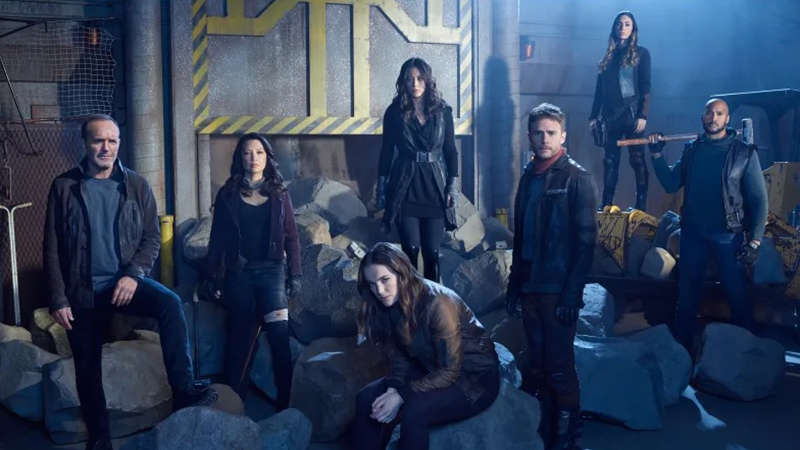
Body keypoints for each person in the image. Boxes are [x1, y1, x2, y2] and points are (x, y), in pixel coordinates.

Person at [44, 115, 217, 450]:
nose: (105, 148)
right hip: (82, 291)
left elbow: (151, 238)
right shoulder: (63, 186)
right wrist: (58, 298)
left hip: (122, 283)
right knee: (87, 363)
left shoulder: (136, 185)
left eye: (112, 141)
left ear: (119, 143)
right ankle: (99, 439)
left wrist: (133, 273)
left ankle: (183, 390)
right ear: (85, 143)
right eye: (98, 140)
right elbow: (51, 246)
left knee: (169, 303)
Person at [506, 103, 597, 450]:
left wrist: (572, 294)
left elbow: (586, 243)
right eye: (538, 133)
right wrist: (514, 286)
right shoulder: (529, 177)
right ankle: (543, 434)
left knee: (559, 367)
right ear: (529, 136)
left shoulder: (577, 179)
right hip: (530, 287)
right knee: (538, 367)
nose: (544, 139)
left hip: (557, 290)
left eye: (551, 133)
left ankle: (566, 440)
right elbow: (520, 238)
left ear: (563, 136)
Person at [647, 99, 768, 353]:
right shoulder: (692, 150)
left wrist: (755, 241)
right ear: (703, 116)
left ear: (727, 119)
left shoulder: (744, 153)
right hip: (693, 234)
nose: (714, 118)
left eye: (719, 114)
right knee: (687, 296)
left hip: (727, 236)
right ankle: (680, 355)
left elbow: (759, 199)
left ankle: (750, 354)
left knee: (736, 294)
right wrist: (657, 154)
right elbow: (670, 183)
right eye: (710, 113)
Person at [354, 242, 500, 450]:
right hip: (430, 367)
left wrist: (401, 395)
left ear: (402, 273)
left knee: (415, 410)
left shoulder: (439, 303)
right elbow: (400, 355)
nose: (379, 290)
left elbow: (450, 371)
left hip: (473, 381)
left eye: (385, 280)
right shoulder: (389, 303)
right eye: (372, 284)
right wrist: (393, 387)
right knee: (367, 397)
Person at [203, 133, 301, 408]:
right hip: (240, 274)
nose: (253, 158)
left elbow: (292, 236)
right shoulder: (228, 194)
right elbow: (218, 238)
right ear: (240, 158)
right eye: (247, 153)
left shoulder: (279, 194)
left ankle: (286, 402)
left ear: (267, 157)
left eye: (259, 152)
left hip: (272, 274)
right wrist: (210, 275)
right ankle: (233, 401)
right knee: (239, 335)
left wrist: (295, 274)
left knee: (279, 336)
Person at [375, 57, 459, 281]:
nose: (415, 84)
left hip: (434, 187)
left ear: (428, 80)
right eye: (409, 79)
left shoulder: (443, 111)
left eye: (420, 78)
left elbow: (450, 150)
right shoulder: (394, 112)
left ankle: (432, 299)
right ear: (403, 82)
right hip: (405, 186)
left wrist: (452, 187)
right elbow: (386, 151)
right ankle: (410, 299)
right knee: (410, 251)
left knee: (432, 253)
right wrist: (381, 190)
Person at [589, 11, 652, 211]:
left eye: (627, 24)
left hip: (632, 114)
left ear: (633, 28)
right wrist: (593, 116)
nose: (622, 28)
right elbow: (599, 90)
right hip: (610, 116)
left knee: (637, 159)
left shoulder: (642, 53)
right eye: (619, 24)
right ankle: (607, 204)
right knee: (610, 161)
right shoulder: (608, 57)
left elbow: (645, 86)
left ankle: (641, 205)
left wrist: (643, 115)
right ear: (614, 28)